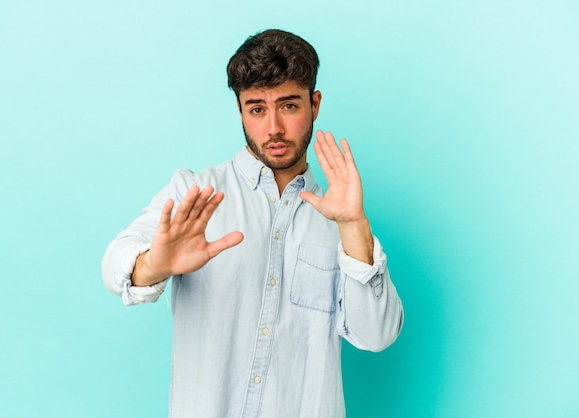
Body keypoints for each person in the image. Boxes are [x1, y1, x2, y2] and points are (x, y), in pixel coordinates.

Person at [102, 29, 403, 418]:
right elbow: (115, 264)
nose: (274, 127)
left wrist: (354, 226)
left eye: (289, 106)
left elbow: (377, 335)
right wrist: (153, 265)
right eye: (257, 108)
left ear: (314, 105)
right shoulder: (196, 194)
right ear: (241, 111)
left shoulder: (338, 220)